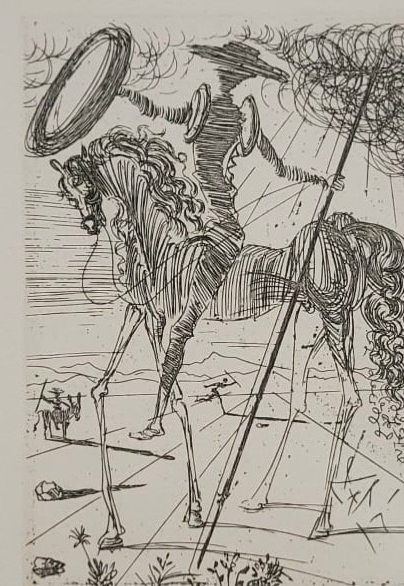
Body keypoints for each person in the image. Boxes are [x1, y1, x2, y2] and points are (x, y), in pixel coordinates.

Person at [122, 40, 341, 439]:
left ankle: (157, 418)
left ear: (238, 79)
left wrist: (321, 178)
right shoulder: (203, 110)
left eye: (230, 74)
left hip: (222, 233)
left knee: (179, 328)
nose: (224, 80)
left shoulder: (240, 122)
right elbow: (157, 110)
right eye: (224, 72)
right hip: (192, 228)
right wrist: (124, 91)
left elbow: (281, 168)